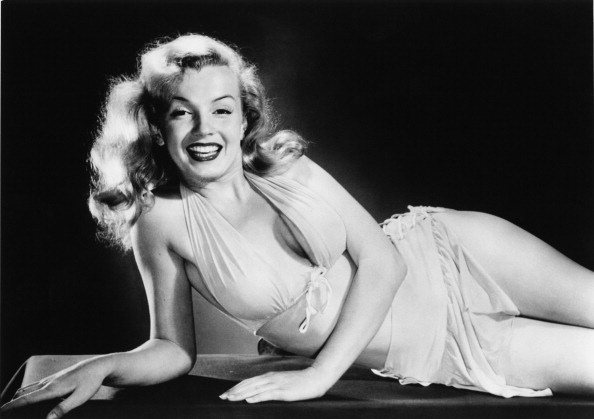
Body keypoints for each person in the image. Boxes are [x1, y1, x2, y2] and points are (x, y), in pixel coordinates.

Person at [2, 33, 593, 419]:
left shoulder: (283, 164)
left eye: (222, 109)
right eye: (183, 113)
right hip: (440, 349)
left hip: (460, 252)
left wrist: (318, 377)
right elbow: (173, 349)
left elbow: (384, 261)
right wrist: (105, 364)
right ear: (158, 128)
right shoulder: (160, 221)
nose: (205, 130)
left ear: (243, 118)